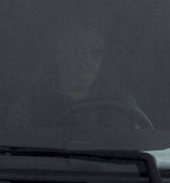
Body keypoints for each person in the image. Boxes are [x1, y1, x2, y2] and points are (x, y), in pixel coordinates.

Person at [9, 22, 149, 136]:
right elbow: (14, 156)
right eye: (78, 50)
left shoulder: (123, 102)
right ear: (59, 53)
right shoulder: (30, 104)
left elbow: (144, 144)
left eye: (95, 53)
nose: (86, 60)